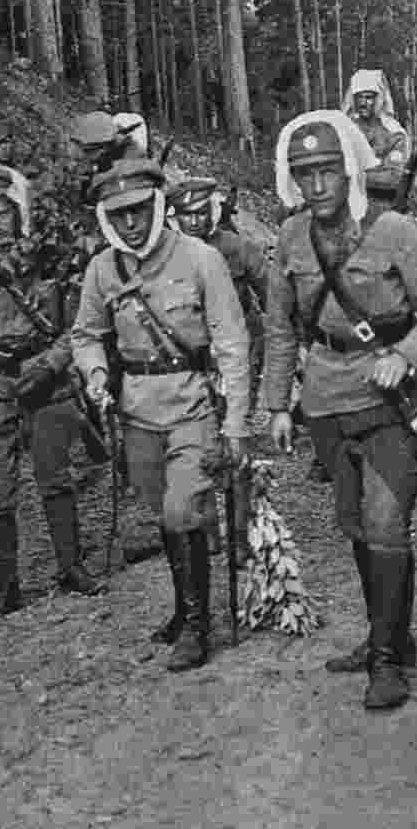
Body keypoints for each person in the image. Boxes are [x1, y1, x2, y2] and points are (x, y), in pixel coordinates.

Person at [263, 111, 417, 710]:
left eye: (327, 171)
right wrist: (277, 405)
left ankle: (386, 662)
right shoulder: (290, 237)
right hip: (326, 400)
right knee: (355, 523)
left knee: (384, 521)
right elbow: (280, 328)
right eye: (304, 174)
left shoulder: (395, 229)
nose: (317, 185)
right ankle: (390, 636)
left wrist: (404, 355)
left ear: (349, 170)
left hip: (391, 403)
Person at [71, 159, 251, 672]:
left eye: (138, 210)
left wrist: (236, 423)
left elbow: (232, 342)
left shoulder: (200, 259)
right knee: (163, 510)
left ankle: (197, 626)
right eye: (119, 214)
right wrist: (96, 374)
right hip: (137, 411)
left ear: (156, 206)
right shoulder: (103, 269)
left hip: (193, 404)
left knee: (183, 509)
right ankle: (183, 606)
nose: (131, 223)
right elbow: (85, 335)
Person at [0, 167, 103, 614]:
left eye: (3, 212)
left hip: (42, 371)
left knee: (55, 475)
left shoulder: (49, 257)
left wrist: (52, 365)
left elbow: (79, 323)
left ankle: (72, 567)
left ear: (18, 211)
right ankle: (6, 585)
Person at [166, 175, 267, 555]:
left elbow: (270, 294)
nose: (194, 221)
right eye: (186, 214)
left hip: (234, 354)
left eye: (200, 212)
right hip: (190, 359)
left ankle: (240, 532)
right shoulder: (169, 255)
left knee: (236, 438)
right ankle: (207, 528)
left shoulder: (236, 248)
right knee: (198, 442)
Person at [341, 69, 410, 165]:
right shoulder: (346, 129)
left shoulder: (393, 131)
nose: (363, 103)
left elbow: (395, 166)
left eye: (368, 97)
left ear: (378, 99)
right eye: (359, 97)